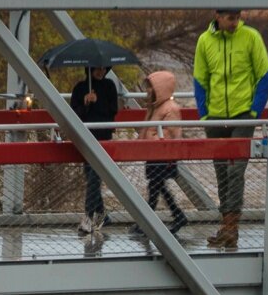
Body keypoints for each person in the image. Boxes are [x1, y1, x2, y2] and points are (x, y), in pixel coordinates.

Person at [191, 9, 268, 249]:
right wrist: (205, 115)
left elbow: (264, 76)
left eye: (237, 17)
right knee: (221, 172)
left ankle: (230, 228)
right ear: (218, 16)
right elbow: (200, 80)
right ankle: (226, 226)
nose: (235, 22)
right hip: (215, 117)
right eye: (230, 18)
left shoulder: (251, 37)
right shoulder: (205, 41)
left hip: (243, 115)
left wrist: (254, 111)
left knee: (235, 171)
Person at [129, 69, 189, 238]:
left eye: (151, 88)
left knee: (155, 187)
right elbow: (149, 128)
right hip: (154, 154)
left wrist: (153, 141)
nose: (148, 91)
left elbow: (172, 133)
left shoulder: (170, 108)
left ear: (160, 89)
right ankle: (177, 215)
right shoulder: (154, 107)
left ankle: (148, 223)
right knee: (157, 187)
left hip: (163, 155)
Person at [68, 65, 121, 235]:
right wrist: (85, 103)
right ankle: (103, 214)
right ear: (89, 70)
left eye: (103, 69)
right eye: (96, 69)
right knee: (91, 176)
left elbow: (112, 111)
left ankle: (88, 217)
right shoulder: (80, 88)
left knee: (94, 177)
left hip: (103, 138)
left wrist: (97, 102)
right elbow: (74, 114)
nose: (100, 72)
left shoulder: (109, 86)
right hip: (85, 138)